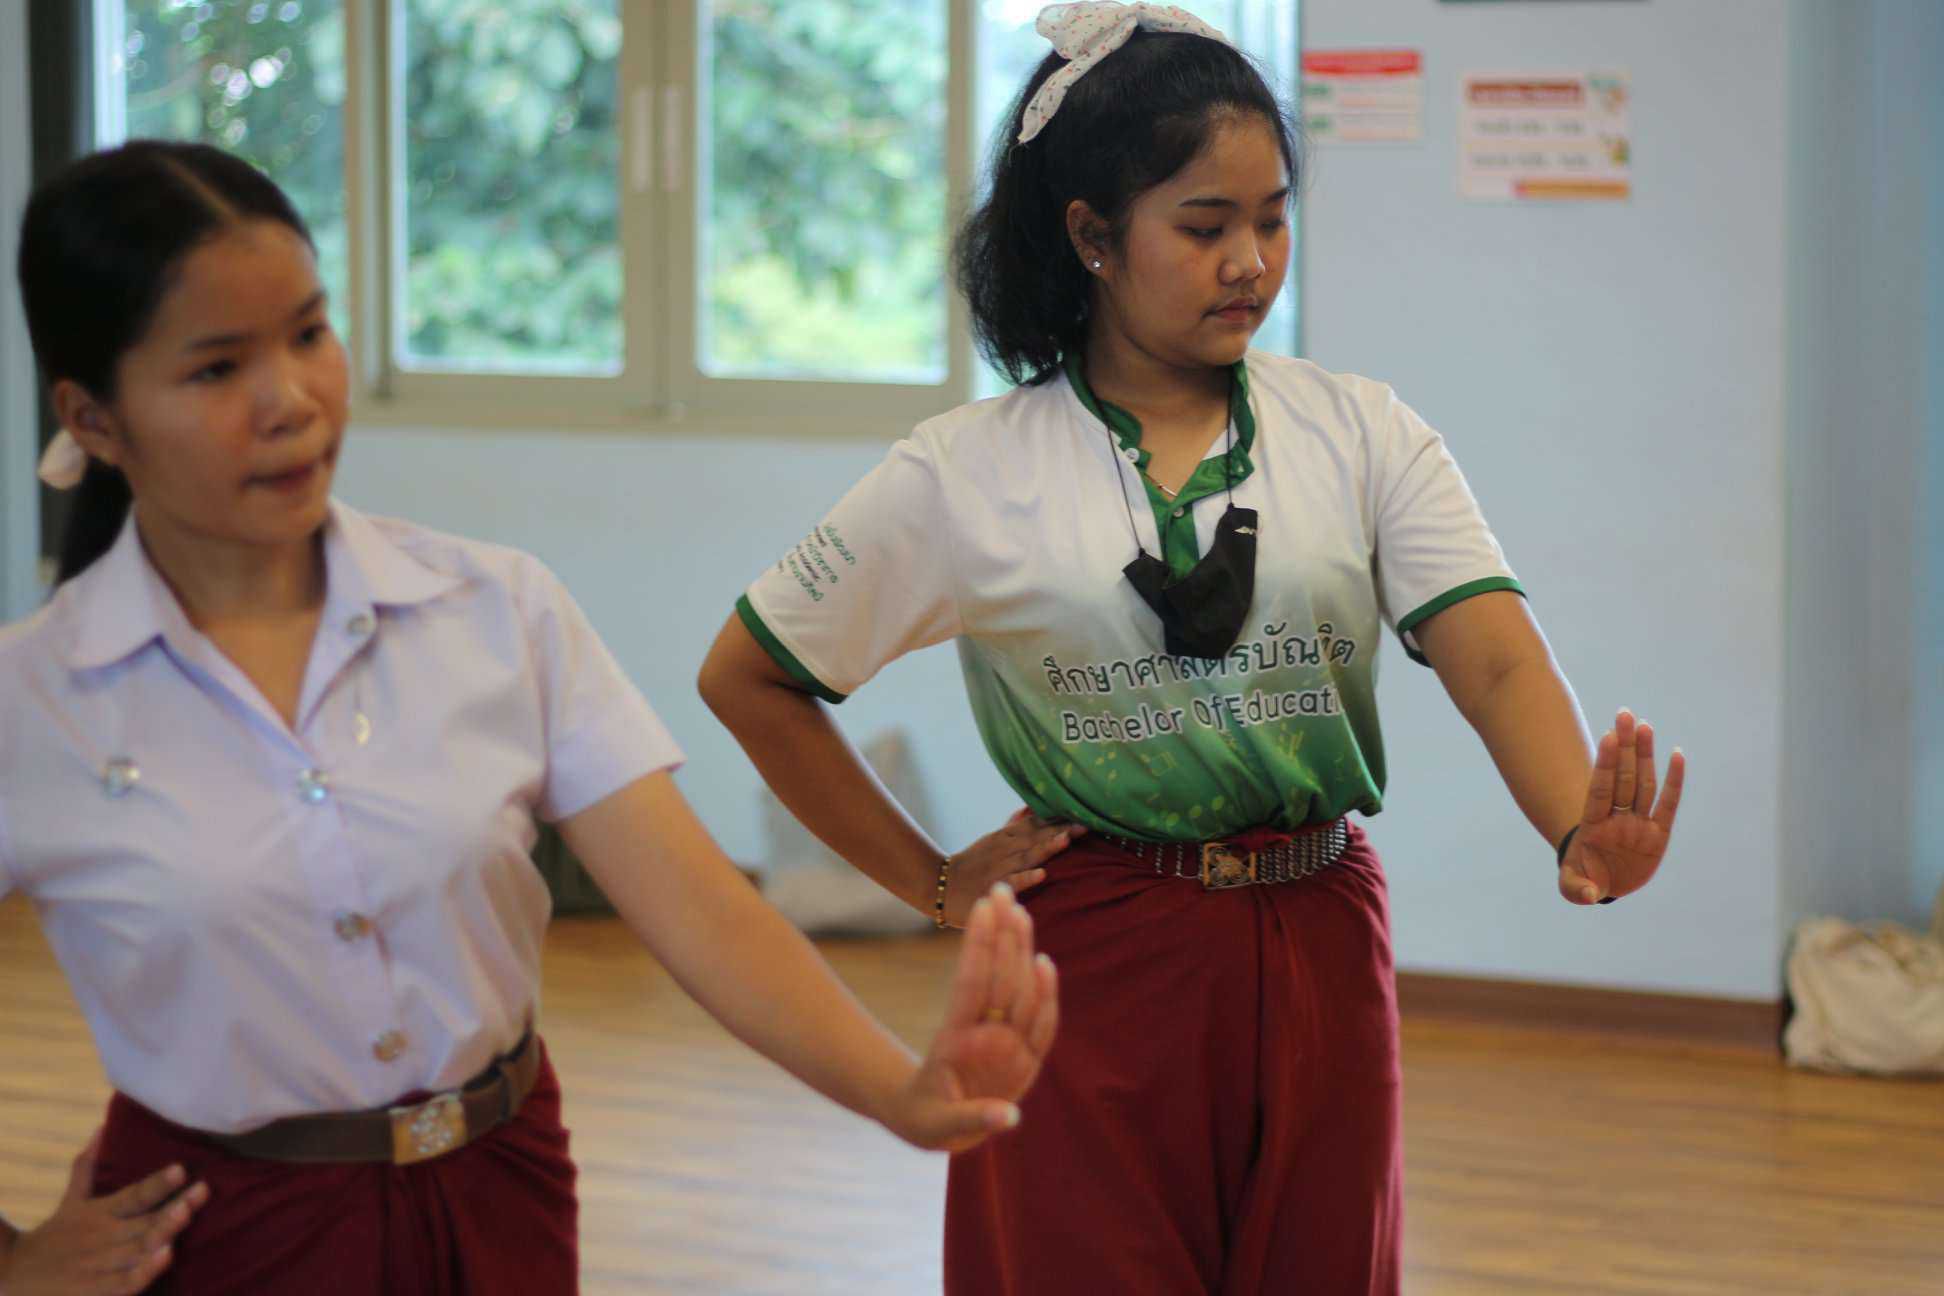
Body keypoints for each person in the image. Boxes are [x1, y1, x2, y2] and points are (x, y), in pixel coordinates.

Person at [697, 4, 1688, 1293]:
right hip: (1092, 952)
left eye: (1273, 220)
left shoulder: (1361, 431)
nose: (1250, 263)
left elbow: (1492, 657)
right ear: (1093, 237)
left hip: (1319, 934)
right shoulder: (964, 472)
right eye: (1205, 227)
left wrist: (1572, 826)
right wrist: (933, 883)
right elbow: (750, 677)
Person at [0, 139, 1073, 1296]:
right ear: (92, 419)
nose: (291, 401)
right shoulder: (36, 701)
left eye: (309, 333)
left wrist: (901, 1090)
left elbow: (702, 910)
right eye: (217, 369)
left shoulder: (494, 609)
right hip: (218, 1238)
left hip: (498, 1196)